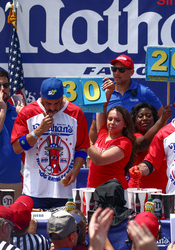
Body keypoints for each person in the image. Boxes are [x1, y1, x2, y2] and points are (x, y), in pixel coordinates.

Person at [11, 77, 90, 209]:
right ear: (41, 96)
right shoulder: (28, 112)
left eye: (57, 103)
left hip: (65, 192)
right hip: (35, 191)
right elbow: (17, 147)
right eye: (48, 103)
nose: (52, 108)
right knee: (34, 229)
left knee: (66, 229)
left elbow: (82, 147)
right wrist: (39, 131)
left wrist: (76, 170)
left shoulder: (75, 113)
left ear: (62, 97)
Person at [89, 54, 163, 143]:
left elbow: (162, 119)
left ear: (131, 72)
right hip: (110, 147)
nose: (116, 73)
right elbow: (94, 128)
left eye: (121, 70)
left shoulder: (144, 92)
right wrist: (91, 152)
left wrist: (154, 144)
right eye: (114, 69)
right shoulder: (105, 92)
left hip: (137, 148)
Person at [86, 105, 135, 190]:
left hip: (112, 193)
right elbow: (101, 106)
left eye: (117, 120)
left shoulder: (124, 142)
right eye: (110, 119)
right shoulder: (103, 132)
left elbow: (99, 160)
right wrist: (107, 92)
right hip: (93, 188)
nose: (112, 122)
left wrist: (85, 140)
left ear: (125, 124)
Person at [128, 102, 172, 192]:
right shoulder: (132, 137)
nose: (145, 119)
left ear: (154, 119)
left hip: (163, 188)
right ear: (134, 121)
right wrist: (162, 119)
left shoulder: (165, 135)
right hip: (139, 189)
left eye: (149, 116)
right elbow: (144, 142)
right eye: (140, 116)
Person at [0, 69, 23, 200]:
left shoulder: (16, 112)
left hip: (14, 182)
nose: (3, 89)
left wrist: (23, 117)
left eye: (6, 85)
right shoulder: (4, 110)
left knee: (13, 221)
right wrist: (2, 110)